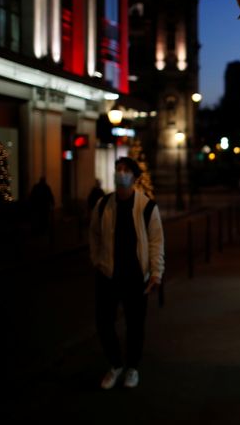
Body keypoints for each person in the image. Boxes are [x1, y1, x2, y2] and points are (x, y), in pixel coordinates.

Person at [89, 157, 164, 389]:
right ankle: (115, 365)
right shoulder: (103, 205)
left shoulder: (147, 206)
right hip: (109, 275)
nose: (120, 173)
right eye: (118, 169)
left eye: (125, 170)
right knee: (104, 323)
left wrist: (156, 272)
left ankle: (132, 367)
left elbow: (156, 241)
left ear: (133, 177)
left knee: (135, 325)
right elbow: (94, 235)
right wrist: (97, 262)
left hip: (135, 277)